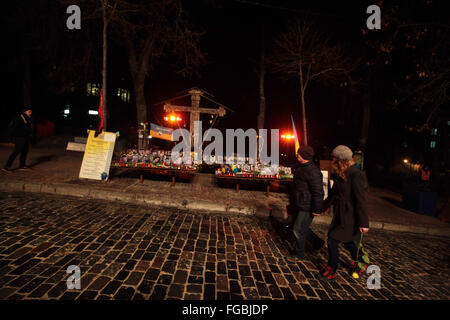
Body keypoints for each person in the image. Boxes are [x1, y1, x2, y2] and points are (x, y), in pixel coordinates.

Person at [319, 145, 369, 280]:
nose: (332, 161)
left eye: (334, 159)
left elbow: (361, 200)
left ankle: (332, 268)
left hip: (350, 216)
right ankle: (360, 262)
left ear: (342, 160)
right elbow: (333, 195)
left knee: (332, 240)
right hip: (340, 214)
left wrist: (364, 223)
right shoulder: (339, 173)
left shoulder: (356, 174)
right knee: (348, 242)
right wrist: (321, 208)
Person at [287, 145, 325, 263]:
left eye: (299, 154)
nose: (297, 155)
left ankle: (299, 255)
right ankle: (317, 242)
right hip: (299, 203)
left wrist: (317, 209)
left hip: (307, 206)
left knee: (298, 230)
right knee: (296, 225)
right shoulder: (301, 166)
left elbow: (318, 191)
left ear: (304, 156)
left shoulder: (313, 171)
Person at [3, 106, 34, 172]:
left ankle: (22, 165)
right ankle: (7, 166)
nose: (31, 113)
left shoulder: (27, 118)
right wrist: (11, 137)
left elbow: (27, 127)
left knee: (24, 151)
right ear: (25, 111)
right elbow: (12, 128)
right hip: (19, 138)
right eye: (29, 111)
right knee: (16, 152)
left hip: (25, 137)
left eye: (31, 111)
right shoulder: (19, 118)